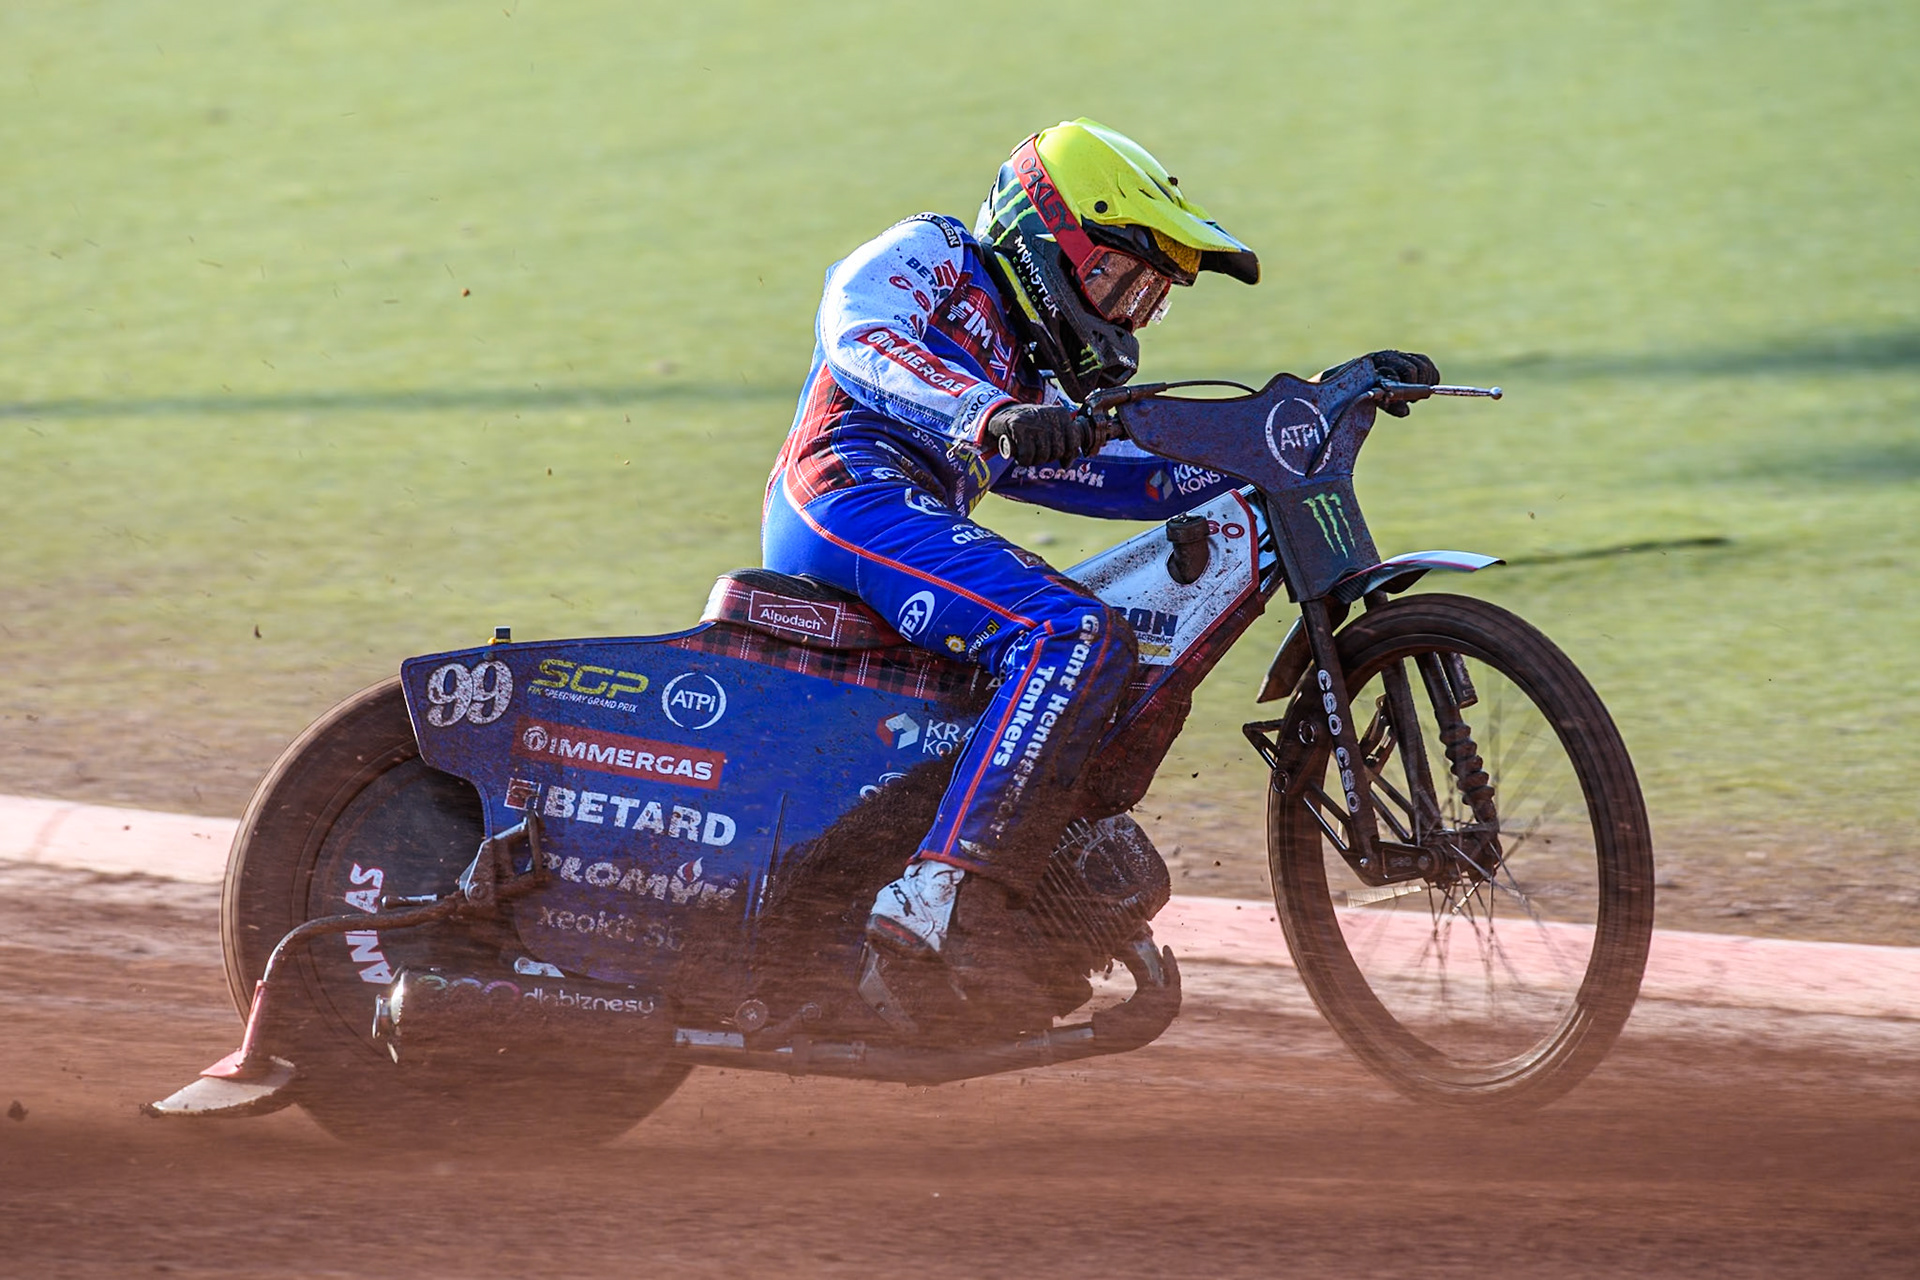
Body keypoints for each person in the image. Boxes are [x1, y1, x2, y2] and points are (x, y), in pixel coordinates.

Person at [761, 118, 1435, 1019]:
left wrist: (1299, 428)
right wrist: (987, 413)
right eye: (1120, 275)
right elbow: (857, 334)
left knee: (1079, 658)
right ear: (1048, 241)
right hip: (841, 496)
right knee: (1070, 631)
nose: (1129, 309)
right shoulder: (936, 251)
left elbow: (1138, 480)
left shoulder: (1034, 387)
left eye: (1150, 294)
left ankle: (983, 902)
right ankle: (936, 899)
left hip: (905, 517)